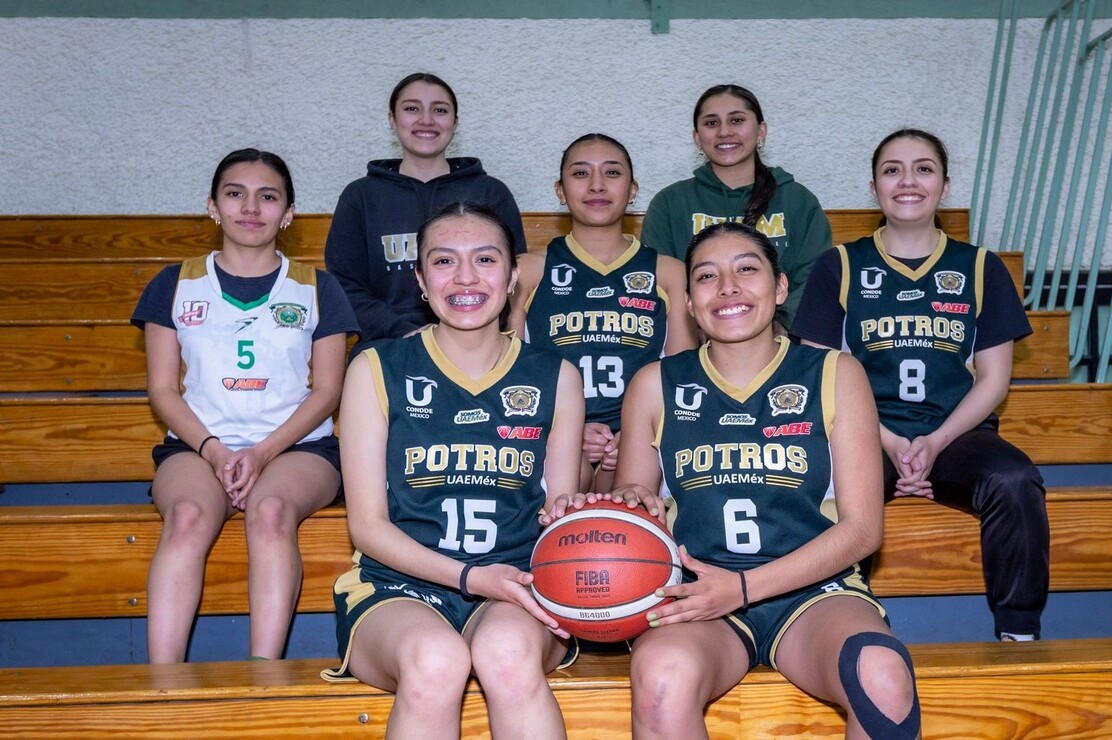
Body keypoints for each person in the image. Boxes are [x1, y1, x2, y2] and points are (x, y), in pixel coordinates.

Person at [545, 221, 919, 738]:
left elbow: (862, 532)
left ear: (780, 286)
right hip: (697, 597)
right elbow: (634, 496)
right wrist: (624, 499)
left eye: (747, 269)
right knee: (661, 678)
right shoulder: (655, 383)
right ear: (690, 303)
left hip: (814, 592)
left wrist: (743, 588)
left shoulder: (836, 372)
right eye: (706, 276)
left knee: (881, 673)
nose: (728, 288)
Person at [321, 202, 585, 739]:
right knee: (434, 660)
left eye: (485, 259)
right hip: (395, 587)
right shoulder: (376, 367)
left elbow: (558, 513)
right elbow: (366, 528)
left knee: (508, 654)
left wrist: (569, 512)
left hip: (514, 584)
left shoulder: (556, 375)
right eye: (443, 262)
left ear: (513, 275)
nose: (465, 277)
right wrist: (467, 576)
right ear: (420, 279)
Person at [791, 128, 1049, 642]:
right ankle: (834, 626)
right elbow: (819, 372)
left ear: (945, 186)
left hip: (956, 434)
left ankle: (1018, 632)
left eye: (923, 168)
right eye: (893, 170)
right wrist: (885, 442)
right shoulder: (840, 265)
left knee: (1016, 482)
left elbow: (994, 379)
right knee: (819, 487)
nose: (908, 181)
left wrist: (935, 442)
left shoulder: (980, 267)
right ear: (873, 187)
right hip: (864, 434)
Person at [132, 148, 357, 663]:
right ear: (213, 205)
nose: (251, 207)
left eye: (268, 196)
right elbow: (163, 389)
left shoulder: (318, 287)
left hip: (298, 449)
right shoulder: (174, 282)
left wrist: (261, 453)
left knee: (271, 510)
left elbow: (327, 391)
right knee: (187, 515)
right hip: (196, 448)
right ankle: (160, 681)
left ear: (289, 213)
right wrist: (214, 451)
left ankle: (264, 674)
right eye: (235, 193)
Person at [510, 133, 697, 493]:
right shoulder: (528, 271)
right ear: (560, 190)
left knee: (630, 496)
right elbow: (513, 375)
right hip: (550, 431)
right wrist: (567, 427)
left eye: (612, 173)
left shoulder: (669, 272)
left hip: (642, 435)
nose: (597, 184)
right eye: (580, 174)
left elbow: (683, 377)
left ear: (633, 189)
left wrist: (638, 433)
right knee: (564, 488)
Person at [325, 72, 527, 358]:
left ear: (455, 122)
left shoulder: (490, 192)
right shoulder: (361, 196)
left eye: (440, 110)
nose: (426, 120)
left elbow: (511, 276)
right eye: (411, 108)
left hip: (477, 344)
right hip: (389, 344)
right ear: (392, 120)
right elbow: (344, 285)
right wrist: (401, 328)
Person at [640, 84, 833, 327]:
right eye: (711, 123)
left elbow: (814, 280)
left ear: (761, 131)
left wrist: (778, 330)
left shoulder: (797, 200)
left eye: (737, 120)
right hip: (694, 343)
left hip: (782, 342)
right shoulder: (668, 204)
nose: (724, 132)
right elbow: (662, 286)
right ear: (697, 137)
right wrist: (696, 333)